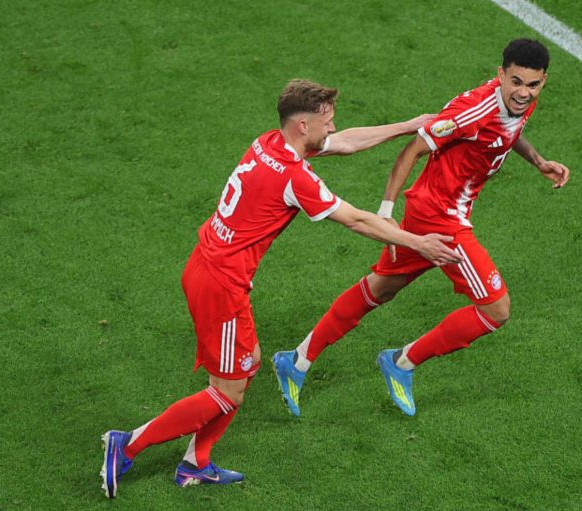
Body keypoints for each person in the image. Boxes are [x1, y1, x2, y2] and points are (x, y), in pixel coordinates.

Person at [100, 79, 462, 498]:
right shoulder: (295, 177)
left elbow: (345, 143)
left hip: (206, 266)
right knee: (227, 392)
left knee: (248, 362)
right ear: (303, 125)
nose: (333, 128)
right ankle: (128, 444)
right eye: (327, 121)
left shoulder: (268, 142)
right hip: (221, 284)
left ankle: (195, 464)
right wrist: (419, 243)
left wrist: (408, 125)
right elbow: (357, 220)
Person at [273, 39, 570, 417]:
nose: (524, 93)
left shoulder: (517, 101)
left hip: (433, 210)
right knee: (496, 309)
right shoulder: (471, 112)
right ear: (500, 75)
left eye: (533, 85)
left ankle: (296, 360)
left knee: (381, 287)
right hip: (440, 219)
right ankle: (402, 361)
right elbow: (412, 150)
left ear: (543, 81)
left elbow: (506, 132)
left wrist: (538, 160)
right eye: (516, 82)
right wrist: (385, 210)